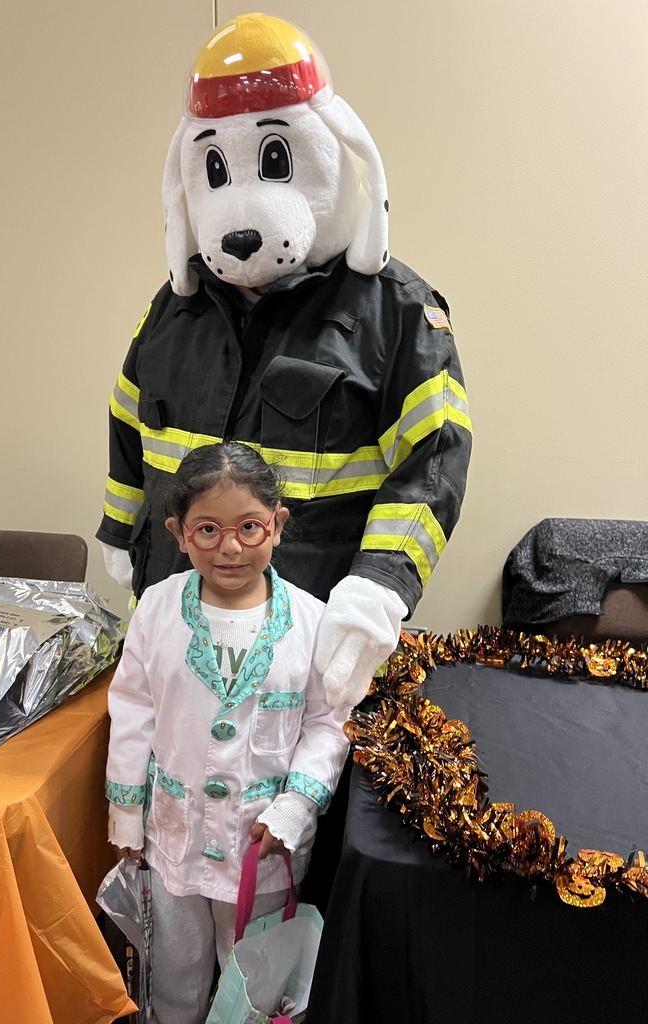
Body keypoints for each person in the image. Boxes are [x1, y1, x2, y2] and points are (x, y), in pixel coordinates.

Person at [97, 12, 472, 714]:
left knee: (291, 818)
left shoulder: (396, 313)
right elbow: (128, 423)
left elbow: (433, 462)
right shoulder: (174, 309)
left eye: (274, 158)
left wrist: (378, 591)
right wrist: (122, 534)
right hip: (177, 632)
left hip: (308, 650)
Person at [105, 441, 350, 1024]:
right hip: (174, 835)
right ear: (178, 532)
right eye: (208, 530)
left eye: (249, 527)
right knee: (174, 969)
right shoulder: (158, 609)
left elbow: (327, 721)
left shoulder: (312, 622)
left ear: (278, 525)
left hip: (260, 846)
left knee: (252, 979)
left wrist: (295, 809)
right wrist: (125, 815)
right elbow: (133, 711)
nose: (231, 547)